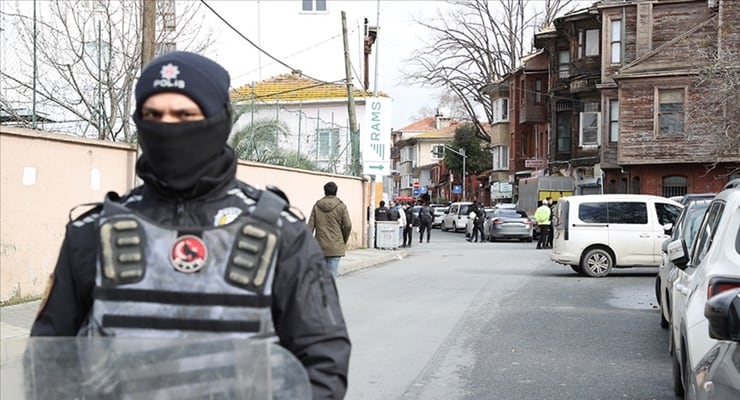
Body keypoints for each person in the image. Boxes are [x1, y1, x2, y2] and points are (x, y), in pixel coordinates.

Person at [29, 51, 350, 400]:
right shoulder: (93, 232)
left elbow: (323, 362)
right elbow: (47, 362)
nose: (167, 127)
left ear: (218, 121)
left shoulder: (282, 234)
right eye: (154, 115)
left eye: (184, 115)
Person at [308, 181, 352, 278]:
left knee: (320, 277)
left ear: (325, 192)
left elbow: (310, 227)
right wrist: (343, 239)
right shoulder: (341, 206)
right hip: (335, 246)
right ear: (336, 191)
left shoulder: (316, 206)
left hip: (319, 246)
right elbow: (348, 225)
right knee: (332, 277)